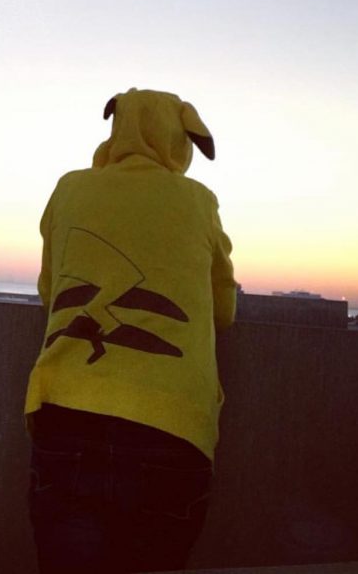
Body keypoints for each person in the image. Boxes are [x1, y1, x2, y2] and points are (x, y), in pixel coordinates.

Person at [25, 88, 237, 574]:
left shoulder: (69, 189)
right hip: (173, 427)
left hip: (68, 413)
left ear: (117, 129)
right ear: (177, 140)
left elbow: (48, 292)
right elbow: (222, 313)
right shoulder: (198, 201)